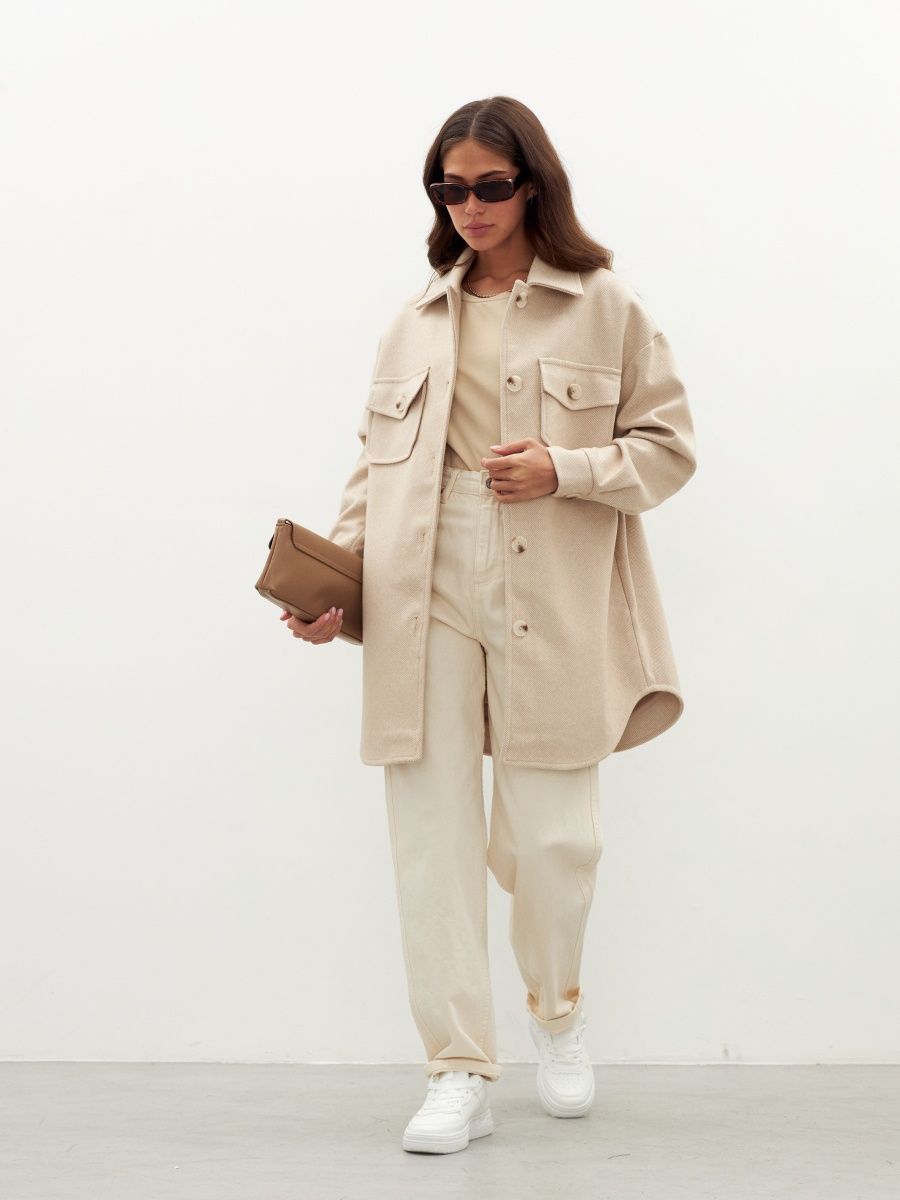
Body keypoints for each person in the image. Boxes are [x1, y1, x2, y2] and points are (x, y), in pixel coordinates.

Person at [281, 96, 697, 1155]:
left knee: (556, 837)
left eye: (490, 186)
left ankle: (557, 1011)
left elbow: (670, 449)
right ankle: (457, 1066)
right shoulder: (414, 321)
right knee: (431, 838)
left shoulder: (606, 305)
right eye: (450, 188)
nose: (469, 206)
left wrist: (567, 469)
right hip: (421, 578)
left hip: (548, 579)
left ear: (533, 186)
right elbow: (374, 473)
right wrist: (337, 585)